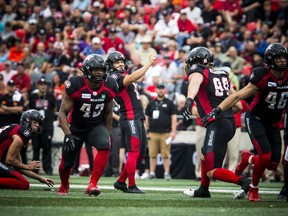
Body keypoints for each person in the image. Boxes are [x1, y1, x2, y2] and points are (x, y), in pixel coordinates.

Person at [204, 43, 288, 202]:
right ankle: (253, 190)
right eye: (278, 58)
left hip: (275, 122)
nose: (282, 61)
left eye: (284, 57)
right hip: (256, 118)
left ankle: (247, 158)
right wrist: (218, 109)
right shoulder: (261, 75)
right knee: (265, 155)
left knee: (272, 164)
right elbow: (237, 96)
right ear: (270, 59)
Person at [182, 46, 250, 199]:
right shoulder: (223, 74)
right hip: (229, 122)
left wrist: (189, 100)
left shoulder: (199, 72)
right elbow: (238, 105)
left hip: (217, 124)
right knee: (205, 153)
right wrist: (223, 113)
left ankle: (244, 182)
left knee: (212, 170)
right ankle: (203, 189)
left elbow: (196, 81)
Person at [57, 54, 118, 196]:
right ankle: (64, 185)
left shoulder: (110, 85)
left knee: (104, 144)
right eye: (96, 69)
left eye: (102, 70)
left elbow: (108, 113)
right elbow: (62, 113)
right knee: (67, 163)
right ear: (86, 70)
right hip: (76, 127)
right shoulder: (75, 84)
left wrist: (107, 132)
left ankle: (93, 184)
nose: (99, 73)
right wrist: (68, 134)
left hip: (95, 126)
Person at [105, 51, 157, 194]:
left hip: (137, 117)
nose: (121, 63)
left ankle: (121, 181)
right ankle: (132, 185)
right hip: (129, 118)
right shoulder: (113, 77)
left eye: (122, 61)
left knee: (140, 153)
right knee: (134, 152)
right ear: (111, 65)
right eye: (117, 62)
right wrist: (148, 63)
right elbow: (134, 77)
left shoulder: (121, 75)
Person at [0, 109, 54, 189]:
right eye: (35, 122)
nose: (38, 125)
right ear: (26, 121)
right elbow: (9, 160)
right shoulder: (24, 132)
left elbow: (19, 166)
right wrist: (28, 167)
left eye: (39, 123)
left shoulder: (16, 129)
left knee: (23, 182)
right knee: (24, 184)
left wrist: (40, 178)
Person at [144, 82, 177, 180]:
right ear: (156, 89)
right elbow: (147, 118)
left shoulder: (170, 103)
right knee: (152, 154)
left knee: (165, 154)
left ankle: (167, 173)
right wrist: (147, 130)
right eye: (159, 88)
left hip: (165, 132)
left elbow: (174, 118)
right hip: (153, 132)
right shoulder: (151, 103)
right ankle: (152, 172)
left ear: (164, 90)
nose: (160, 90)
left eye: (162, 88)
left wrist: (173, 131)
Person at [29, 77, 57, 175]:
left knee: (47, 148)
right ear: (38, 85)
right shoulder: (33, 97)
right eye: (41, 84)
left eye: (45, 84)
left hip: (47, 126)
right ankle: (35, 169)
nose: (43, 86)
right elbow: (30, 111)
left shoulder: (50, 96)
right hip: (36, 127)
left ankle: (47, 168)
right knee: (36, 148)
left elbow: (54, 109)